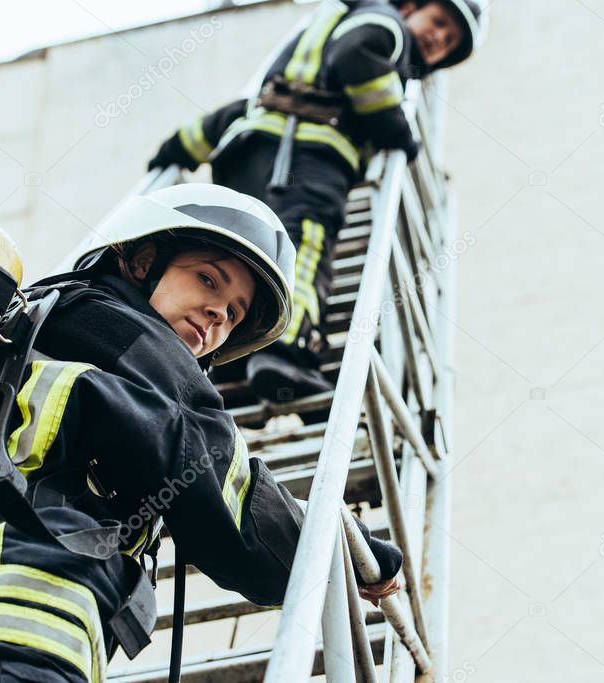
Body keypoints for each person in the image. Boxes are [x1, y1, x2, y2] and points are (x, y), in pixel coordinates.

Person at [0, 184, 402, 682]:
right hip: (6, 622)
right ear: (140, 260)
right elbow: (218, 483)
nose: (216, 315)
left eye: (234, 314)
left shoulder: (36, 328)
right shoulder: (121, 331)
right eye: (207, 278)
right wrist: (346, 548)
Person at [148, 0, 486, 416]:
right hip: (311, 156)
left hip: (251, 155)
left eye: (449, 41)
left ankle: (217, 361)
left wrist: (181, 146)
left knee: (242, 264)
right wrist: (398, 132)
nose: (439, 40)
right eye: (439, 23)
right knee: (302, 246)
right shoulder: (386, 25)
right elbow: (355, 56)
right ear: (412, 5)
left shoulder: (314, 38)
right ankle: (286, 349)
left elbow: (246, 108)